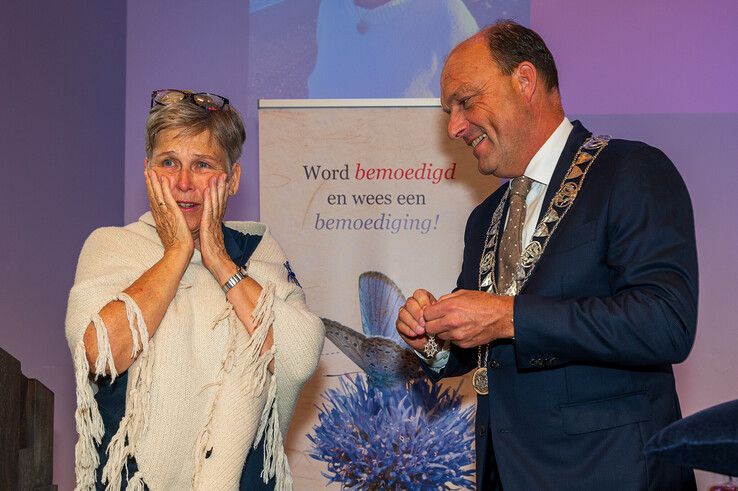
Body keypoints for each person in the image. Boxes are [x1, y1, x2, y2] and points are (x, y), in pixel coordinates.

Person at [395, 21, 698, 490]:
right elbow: (484, 353)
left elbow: (665, 322)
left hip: (613, 475)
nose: (454, 127)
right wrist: (434, 337)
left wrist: (508, 316)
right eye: (448, 112)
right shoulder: (484, 218)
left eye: (466, 102)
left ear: (525, 80)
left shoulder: (630, 171)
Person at [65, 89, 325, 490]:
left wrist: (219, 260)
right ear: (148, 170)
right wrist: (177, 254)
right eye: (169, 162)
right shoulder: (112, 247)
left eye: (202, 165)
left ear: (233, 179)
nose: (183, 183)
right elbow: (99, 354)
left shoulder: (256, 253)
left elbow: (299, 355)